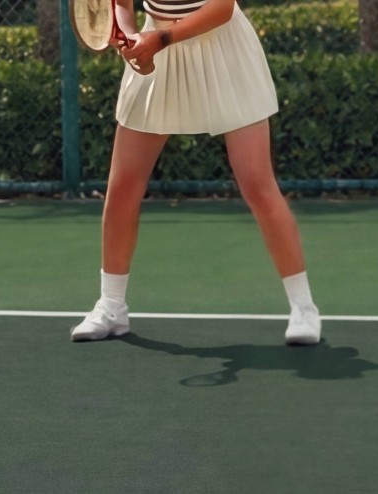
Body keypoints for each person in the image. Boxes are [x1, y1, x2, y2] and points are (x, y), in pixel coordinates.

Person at [70, 0, 322, 346]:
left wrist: (158, 40)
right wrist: (130, 38)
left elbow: (221, 8)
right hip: (156, 45)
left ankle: (303, 307)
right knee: (123, 185)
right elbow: (121, 5)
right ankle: (112, 307)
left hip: (222, 48)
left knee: (257, 183)